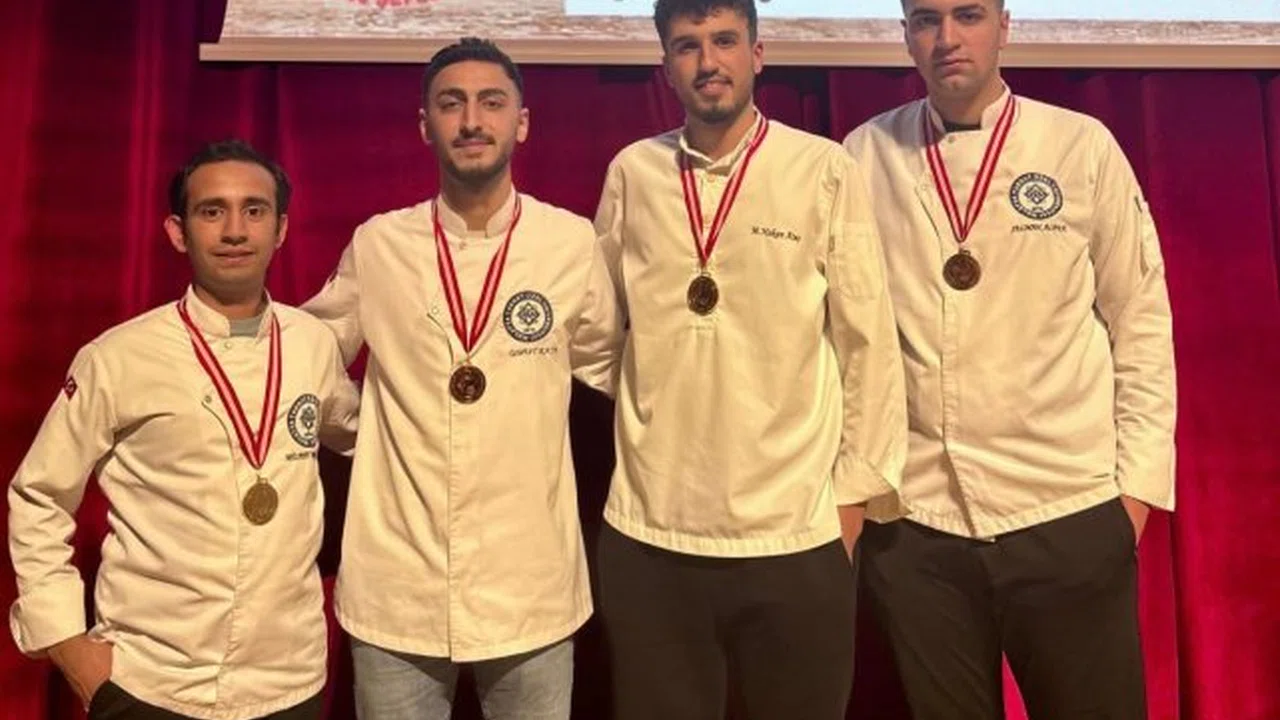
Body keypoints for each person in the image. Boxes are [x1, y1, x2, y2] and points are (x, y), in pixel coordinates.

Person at [841, 1, 1178, 718]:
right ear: (905, 36)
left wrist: (1133, 500)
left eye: (968, 15)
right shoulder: (862, 155)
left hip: (1066, 508)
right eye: (926, 20)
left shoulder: (1079, 146)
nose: (947, 38)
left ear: (1004, 25)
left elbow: (1141, 319)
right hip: (919, 526)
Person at [591, 1, 907, 718]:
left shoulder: (820, 168)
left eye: (725, 41)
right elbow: (599, 328)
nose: (709, 62)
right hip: (651, 535)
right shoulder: (634, 172)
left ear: (757, 55)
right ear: (665, 67)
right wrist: (657, 404)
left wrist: (848, 506)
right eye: (688, 46)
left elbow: (867, 343)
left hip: (793, 535)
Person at [301, 38, 621, 720]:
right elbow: (308, 355)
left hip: (531, 583)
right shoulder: (380, 244)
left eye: (491, 103)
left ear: (521, 123)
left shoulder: (568, 242)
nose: (472, 121)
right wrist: (361, 432)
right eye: (452, 104)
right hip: (398, 584)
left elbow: (611, 369)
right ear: (426, 125)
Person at [7, 139, 361, 720]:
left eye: (254, 210)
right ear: (178, 232)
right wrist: (69, 647)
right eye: (211, 211)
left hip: (289, 680)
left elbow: (367, 437)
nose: (234, 231)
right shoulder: (117, 357)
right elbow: (39, 495)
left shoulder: (313, 345)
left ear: (281, 229)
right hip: (151, 683)